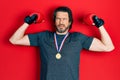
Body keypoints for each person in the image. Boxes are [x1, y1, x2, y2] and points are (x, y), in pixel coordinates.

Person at [9, 6, 114, 80]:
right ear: (54, 21)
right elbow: (14, 40)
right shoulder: (43, 36)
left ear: (69, 22)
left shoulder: (78, 38)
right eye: (58, 19)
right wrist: (27, 22)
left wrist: (99, 25)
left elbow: (108, 47)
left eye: (64, 19)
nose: (61, 22)